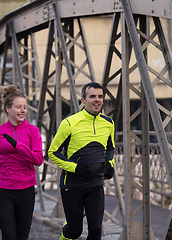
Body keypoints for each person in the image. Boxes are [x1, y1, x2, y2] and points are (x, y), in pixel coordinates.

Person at [0, 85, 44, 240]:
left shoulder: (33, 131)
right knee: (9, 235)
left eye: (25, 107)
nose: (22, 111)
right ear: (8, 109)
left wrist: (17, 146)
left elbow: (38, 160)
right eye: (18, 107)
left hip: (25, 190)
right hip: (2, 190)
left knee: (21, 236)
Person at [48, 82, 115, 240]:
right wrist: (76, 168)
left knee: (96, 230)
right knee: (74, 231)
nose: (97, 100)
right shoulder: (69, 123)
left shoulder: (108, 123)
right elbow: (53, 152)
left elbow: (110, 148)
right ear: (83, 100)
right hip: (72, 184)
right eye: (92, 96)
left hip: (96, 184)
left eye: (100, 96)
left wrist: (109, 164)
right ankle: (68, 228)